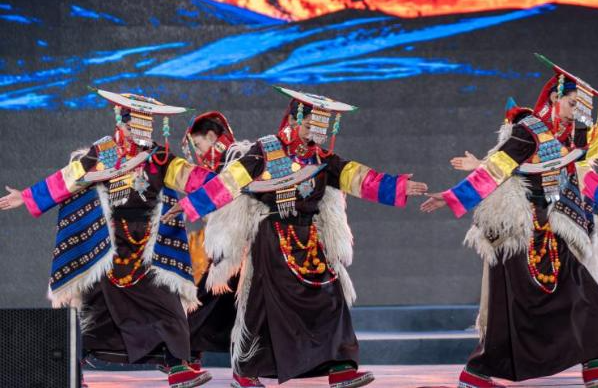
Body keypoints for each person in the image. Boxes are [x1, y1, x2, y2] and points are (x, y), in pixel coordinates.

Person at [422, 54, 598, 388]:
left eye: (580, 107)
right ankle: (479, 372)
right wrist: (451, 196)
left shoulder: (571, 136)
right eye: (572, 103)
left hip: (549, 229)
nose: (576, 111)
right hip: (520, 231)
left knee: (578, 290)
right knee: (514, 312)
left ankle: (597, 361)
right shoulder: (528, 132)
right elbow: (494, 169)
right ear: (555, 97)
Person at [165, 87, 428, 388]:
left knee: (332, 299)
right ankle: (245, 372)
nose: (316, 132)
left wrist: (398, 187)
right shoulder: (265, 150)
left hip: (309, 239)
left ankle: (341, 367)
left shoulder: (322, 159)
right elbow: (228, 182)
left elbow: (359, 178)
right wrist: (190, 204)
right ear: (294, 120)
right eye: (311, 124)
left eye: (321, 126)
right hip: (272, 239)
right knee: (262, 307)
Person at [0, 90, 217, 388]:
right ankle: (72, 370)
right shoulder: (103, 153)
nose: (141, 132)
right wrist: (26, 197)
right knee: (95, 310)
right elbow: (68, 178)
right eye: (135, 125)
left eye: (147, 126)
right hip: (107, 246)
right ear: (122, 124)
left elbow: (193, 178)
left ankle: (178, 366)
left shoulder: (159, 158)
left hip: (146, 248)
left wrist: (229, 182)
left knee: (167, 304)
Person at [181, 112, 245, 384]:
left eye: (198, 145)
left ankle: (185, 354)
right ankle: (186, 354)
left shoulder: (238, 156)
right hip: (227, 248)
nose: (198, 153)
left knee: (216, 301)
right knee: (211, 300)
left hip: (241, 246)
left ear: (211, 136)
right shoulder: (220, 163)